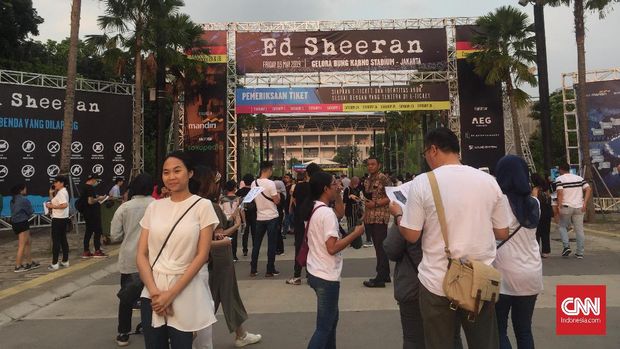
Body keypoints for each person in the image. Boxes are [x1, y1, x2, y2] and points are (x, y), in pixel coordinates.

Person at [392, 127, 510, 349]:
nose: (426, 158)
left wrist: (398, 214)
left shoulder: (423, 182)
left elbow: (411, 234)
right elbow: (502, 232)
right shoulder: (488, 181)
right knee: (485, 343)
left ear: (433, 150)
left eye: (425, 152)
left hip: (437, 281)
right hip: (480, 280)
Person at [136, 151, 219, 349]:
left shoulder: (202, 206)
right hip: (152, 291)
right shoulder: (154, 208)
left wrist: (170, 294)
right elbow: (141, 254)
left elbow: (201, 256)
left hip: (184, 289)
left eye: (177, 171)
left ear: (190, 173)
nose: (171, 177)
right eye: (166, 172)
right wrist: (156, 294)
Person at [193, 166, 262, 348]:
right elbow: (219, 235)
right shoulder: (211, 206)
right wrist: (237, 223)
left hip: (206, 258)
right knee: (220, 295)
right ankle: (191, 334)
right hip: (219, 256)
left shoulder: (196, 203)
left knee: (219, 295)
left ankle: (240, 334)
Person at [306, 171, 365, 349]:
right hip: (326, 276)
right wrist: (355, 234)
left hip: (316, 270)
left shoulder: (316, 208)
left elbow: (339, 213)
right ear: (325, 188)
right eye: (334, 184)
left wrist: (338, 194)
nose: (337, 186)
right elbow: (332, 248)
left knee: (330, 321)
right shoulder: (326, 214)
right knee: (324, 327)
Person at [494, 155, 542, 349]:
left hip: (503, 274)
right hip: (531, 273)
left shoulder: (498, 203)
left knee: (499, 330)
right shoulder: (534, 203)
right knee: (524, 330)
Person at [110, 173, 155, 347]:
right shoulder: (158, 206)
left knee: (127, 298)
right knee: (152, 296)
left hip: (130, 260)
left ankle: (123, 333)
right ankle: (151, 327)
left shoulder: (124, 208)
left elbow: (114, 235)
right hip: (153, 260)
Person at [286, 163, 321, 285]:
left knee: (300, 246)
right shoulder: (318, 188)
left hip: (300, 220)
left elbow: (294, 200)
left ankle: (297, 275)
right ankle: (311, 273)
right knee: (314, 246)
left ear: (307, 173)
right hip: (314, 219)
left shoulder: (299, 187)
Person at [362, 157, 392, 288]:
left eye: (373, 164)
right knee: (378, 246)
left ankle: (380, 277)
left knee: (380, 247)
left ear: (379, 165)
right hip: (370, 216)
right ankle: (384, 274)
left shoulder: (383, 178)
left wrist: (376, 203)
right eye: (368, 165)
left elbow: (391, 195)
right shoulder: (368, 179)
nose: (370, 167)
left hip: (380, 216)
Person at [250, 161, 281, 277]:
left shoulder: (254, 183)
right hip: (272, 216)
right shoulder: (270, 184)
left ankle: (253, 269)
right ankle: (270, 269)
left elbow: (253, 199)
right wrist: (277, 195)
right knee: (271, 244)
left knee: (256, 243)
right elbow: (276, 201)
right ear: (268, 170)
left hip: (259, 217)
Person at [554, 163, 592, 258]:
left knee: (562, 226)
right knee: (579, 230)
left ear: (561, 170)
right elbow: (588, 189)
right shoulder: (579, 178)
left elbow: (560, 193)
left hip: (566, 206)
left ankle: (566, 246)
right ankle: (580, 253)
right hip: (579, 207)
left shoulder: (559, 179)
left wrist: (559, 205)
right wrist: (585, 203)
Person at [10, 183, 39, 272]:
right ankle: (18, 266)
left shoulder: (13, 200)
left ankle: (29, 263)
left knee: (28, 242)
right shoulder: (23, 200)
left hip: (16, 223)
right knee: (22, 245)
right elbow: (30, 211)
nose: (26, 190)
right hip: (22, 223)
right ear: (21, 190)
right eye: (25, 189)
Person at [46, 176, 71, 271]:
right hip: (63, 219)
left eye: (56, 182)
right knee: (63, 240)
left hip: (58, 220)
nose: (54, 184)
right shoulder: (63, 192)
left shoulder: (61, 193)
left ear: (62, 183)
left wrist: (50, 206)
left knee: (56, 241)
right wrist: (51, 194)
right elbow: (57, 202)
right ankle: (65, 261)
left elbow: (64, 205)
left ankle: (54, 263)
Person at [81, 174, 108, 258]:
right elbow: (90, 201)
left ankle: (86, 251)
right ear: (92, 180)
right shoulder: (90, 188)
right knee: (97, 231)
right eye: (96, 180)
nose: (97, 182)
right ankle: (97, 250)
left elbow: (87, 199)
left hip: (87, 213)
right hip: (93, 214)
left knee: (88, 232)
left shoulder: (84, 187)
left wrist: (96, 197)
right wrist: (99, 199)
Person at [531, 173, 552, 258]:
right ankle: (546, 251)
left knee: (537, 232)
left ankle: (536, 250)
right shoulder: (546, 189)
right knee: (546, 232)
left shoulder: (535, 189)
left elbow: (534, 200)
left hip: (539, 212)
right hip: (547, 212)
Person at [220, 179, 241, 261]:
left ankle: (226, 255)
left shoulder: (222, 199)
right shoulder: (237, 198)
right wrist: (243, 221)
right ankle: (234, 256)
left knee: (226, 237)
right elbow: (240, 210)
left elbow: (220, 210)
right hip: (235, 220)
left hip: (225, 220)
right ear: (234, 188)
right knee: (234, 239)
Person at [236, 174, 256, 257]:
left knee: (245, 232)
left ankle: (245, 250)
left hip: (243, 214)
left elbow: (236, 203)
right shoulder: (254, 191)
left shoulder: (240, 191)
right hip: (254, 214)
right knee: (254, 232)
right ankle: (255, 248)